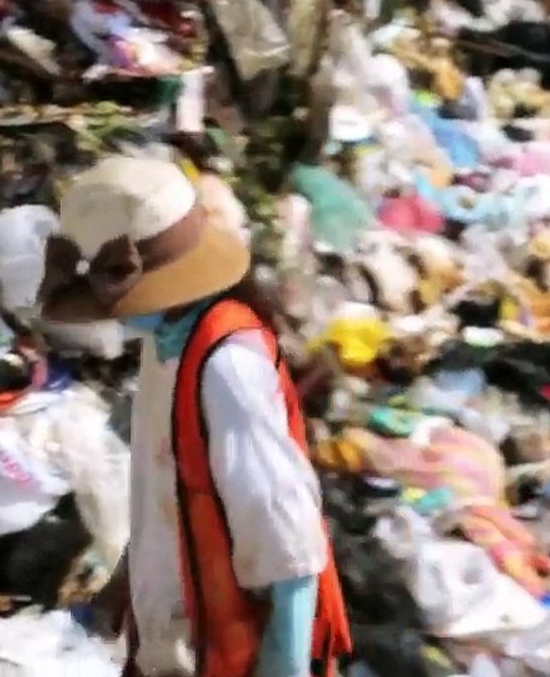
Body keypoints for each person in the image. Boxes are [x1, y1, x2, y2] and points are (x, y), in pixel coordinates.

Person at [37, 156, 351, 677]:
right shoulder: (165, 349)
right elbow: (168, 489)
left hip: (238, 650)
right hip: (183, 639)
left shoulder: (226, 368)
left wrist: (285, 661)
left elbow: (288, 540)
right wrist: (123, 588)